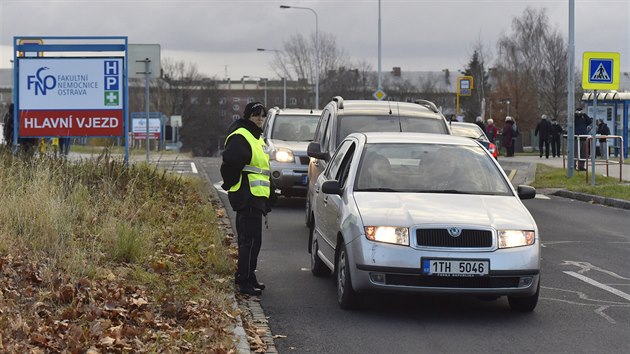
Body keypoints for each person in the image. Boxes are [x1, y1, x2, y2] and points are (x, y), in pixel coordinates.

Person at [221, 102, 274, 296]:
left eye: (262, 115)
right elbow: (230, 164)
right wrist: (232, 185)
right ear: (247, 116)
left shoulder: (256, 137)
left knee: (252, 240)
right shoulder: (242, 136)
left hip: (256, 197)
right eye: (256, 115)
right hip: (247, 196)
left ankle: (248, 275)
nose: (260, 118)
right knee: (250, 241)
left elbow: (262, 169)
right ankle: (244, 281)